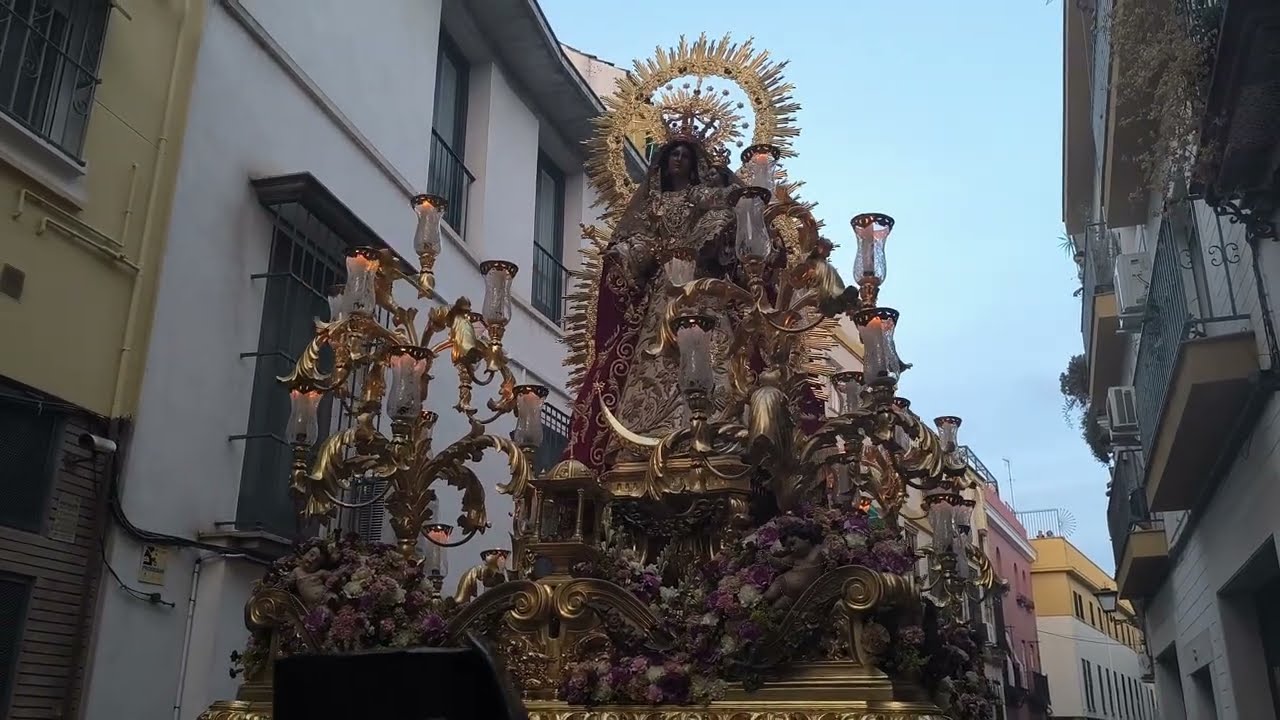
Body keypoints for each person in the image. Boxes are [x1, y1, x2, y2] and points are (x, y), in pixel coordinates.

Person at [564, 136, 739, 475]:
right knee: (654, 354)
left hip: (699, 284)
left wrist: (718, 219)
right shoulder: (653, 205)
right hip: (662, 292)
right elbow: (641, 239)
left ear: (694, 163)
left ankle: (717, 429)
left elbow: (725, 205)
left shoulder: (697, 195)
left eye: (684, 155)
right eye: (672, 154)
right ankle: (644, 436)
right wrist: (624, 253)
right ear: (662, 162)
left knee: (712, 348)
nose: (678, 160)